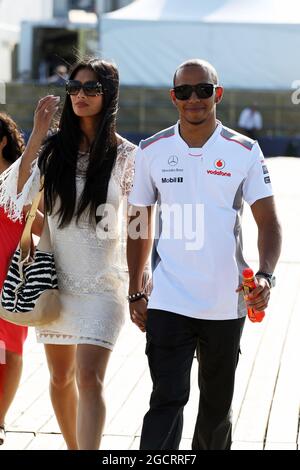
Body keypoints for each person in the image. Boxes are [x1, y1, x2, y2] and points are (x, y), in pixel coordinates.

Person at [127, 59, 282, 450]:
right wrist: (135, 288)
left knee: (216, 410)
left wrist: (265, 274)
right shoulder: (152, 149)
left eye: (203, 90)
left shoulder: (245, 150)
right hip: (167, 299)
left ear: (218, 93)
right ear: (173, 97)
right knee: (166, 400)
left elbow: (269, 223)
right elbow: (137, 222)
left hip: (225, 302)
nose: (194, 99)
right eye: (184, 91)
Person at [0, 58, 136, 450]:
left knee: (89, 376)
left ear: (108, 94)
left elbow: (140, 220)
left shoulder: (127, 156)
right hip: (54, 282)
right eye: (74, 88)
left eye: (90, 89)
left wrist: (141, 275)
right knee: (61, 379)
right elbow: (15, 195)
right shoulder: (53, 149)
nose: (80, 95)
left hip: (103, 285)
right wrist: (40, 132)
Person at [0, 113, 43, 446]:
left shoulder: (18, 181)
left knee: (11, 352)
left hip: (13, 278)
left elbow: (42, 225)